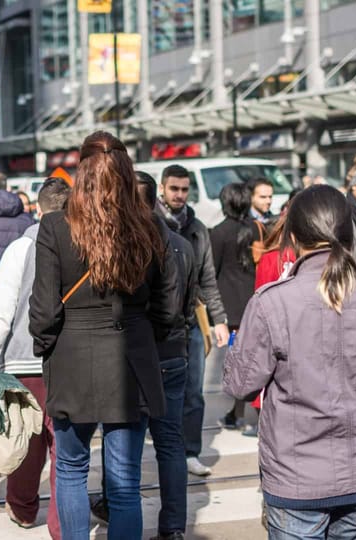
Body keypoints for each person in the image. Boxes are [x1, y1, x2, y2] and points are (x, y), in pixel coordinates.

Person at [224, 185, 356, 540]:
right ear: (349, 232)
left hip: (297, 479)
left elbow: (240, 385)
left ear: (292, 237)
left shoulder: (271, 302)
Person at [30, 131, 180, 540]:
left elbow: (43, 308)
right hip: (132, 356)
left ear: (82, 171)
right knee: (125, 482)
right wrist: (148, 339)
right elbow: (169, 307)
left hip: (72, 356)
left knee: (71, 468)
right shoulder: (151, 227)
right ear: (128, 172)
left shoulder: (56, 228)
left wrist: (46, 348)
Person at [0, 177, 71, 537]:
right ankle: (61, 523)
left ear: (37, 208)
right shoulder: (82, 245)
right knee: (66, 450)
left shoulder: (20, 248)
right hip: (67, 362)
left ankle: (23, 508)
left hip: (21, 362)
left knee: (26, 444)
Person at [138, 171, 198, 540]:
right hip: (175, 350)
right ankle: (174, 525)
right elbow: (190, 302)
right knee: (171, 443)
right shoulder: (183, 244)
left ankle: (117, 507)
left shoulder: (131, 244)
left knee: (125, 440)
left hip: (140, 353)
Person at [157, 164, 228, 477]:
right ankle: (166, 449)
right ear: (162, 188)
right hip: (159, 321)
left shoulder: (197, 228)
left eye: (184, 189)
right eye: (174, 189)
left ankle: (190, 451)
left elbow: (208, 277)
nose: (180, 195)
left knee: (193, 391)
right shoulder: (152, 223)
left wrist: (219, 319)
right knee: (157, 391)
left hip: (192, 318)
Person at [210, 183, 258, 436]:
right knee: (252, 359)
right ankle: (239, 411)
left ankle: (241, 412)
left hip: (231, 313)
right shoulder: (257, 229)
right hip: (256, 305)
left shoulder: (217, 233)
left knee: (238, 359)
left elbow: (211, 271)